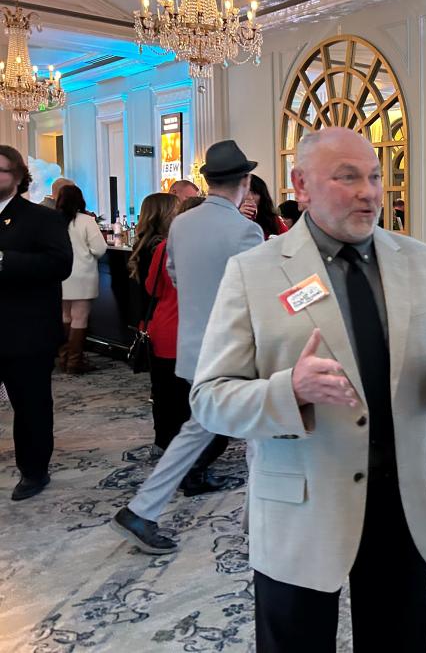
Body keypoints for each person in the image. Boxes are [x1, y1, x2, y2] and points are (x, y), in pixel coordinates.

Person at [190, 127, 426, 653]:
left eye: (374, 176)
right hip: (302, 504)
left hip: (403, 502)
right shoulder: (254, 272)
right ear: (301, 185)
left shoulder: (421, 261)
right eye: (347, 177)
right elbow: (210, 398)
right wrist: (289, 392)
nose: (369, 192)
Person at [112, 141, 263, 553]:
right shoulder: (246, 231)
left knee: (199, 430)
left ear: (208, 181)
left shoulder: (181, 225)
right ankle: (260, 527)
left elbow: (174, 276)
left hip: (195, 346)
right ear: (244, 182)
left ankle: (141, 511)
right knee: (257, 434)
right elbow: (259, 293)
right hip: (235, 350)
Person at [0, 145, 73, 500]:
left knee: (31, 407)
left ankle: (33, 471)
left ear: (17, 176)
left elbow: (60, 265)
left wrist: (4, 260)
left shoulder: (42, 218)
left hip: (25, 332)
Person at [128, 192, 182, 449]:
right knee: (172, 389)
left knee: (161, 388)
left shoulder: (144, 243)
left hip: (152, 320)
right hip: (169, 320)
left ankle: (162, 439)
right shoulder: (164, 246)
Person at [56, 185, 107, 374]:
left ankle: (64, 358)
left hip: (60, 273)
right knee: (80, 317)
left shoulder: (53, 220)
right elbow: (99, 249)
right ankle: (74, 362)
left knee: (64, 316)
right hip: (82, 274)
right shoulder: (86, 220)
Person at [240, 173, 288, 239]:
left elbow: (287, 240)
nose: (250, 197)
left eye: (255, 193)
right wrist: (238, 217)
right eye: (245, 192)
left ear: (262, 196)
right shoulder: (230, 217)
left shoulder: (273, 220)